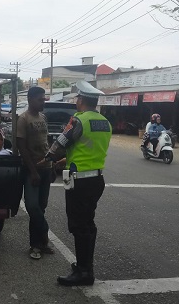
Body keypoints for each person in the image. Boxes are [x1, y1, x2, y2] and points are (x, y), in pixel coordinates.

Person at [38, 80, 112, 286]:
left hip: (80, 182)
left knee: (79, 226)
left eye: (77, 98)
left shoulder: (79, 120)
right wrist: (66, 160)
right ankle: (84, 265)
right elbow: (87, 149)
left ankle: (84, 272)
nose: (77, 101)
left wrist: (48, 158)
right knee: (88, 224)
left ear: (81, 100)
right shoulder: (105, 122)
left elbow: (61, 142)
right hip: (96, 179)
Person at [17, 86, 54, 260]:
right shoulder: (23, 119)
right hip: (32, 170)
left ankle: (39, 245)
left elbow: (46, 142)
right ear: (31, 99)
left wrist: (51, 165)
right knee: (32, 206)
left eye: (44, 98)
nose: (43, 102)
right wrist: (33, 171)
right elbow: (22, 147)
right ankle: (42, 234)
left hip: (46, 168)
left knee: (41, 207)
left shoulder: (43, 117)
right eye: (40, 99)